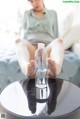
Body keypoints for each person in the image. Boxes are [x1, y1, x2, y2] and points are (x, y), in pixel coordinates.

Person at [15, 0, 64, 79]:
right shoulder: (27, 14)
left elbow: (56, 35)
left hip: (46, 48)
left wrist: (59, 49)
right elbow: (24, 35)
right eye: (31, 1)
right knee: (18, 41)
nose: (34, 3)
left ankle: (55, 70)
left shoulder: (53, 13)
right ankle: (27, 70)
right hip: (32, 47)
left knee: (59, 41)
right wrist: (20, 50)